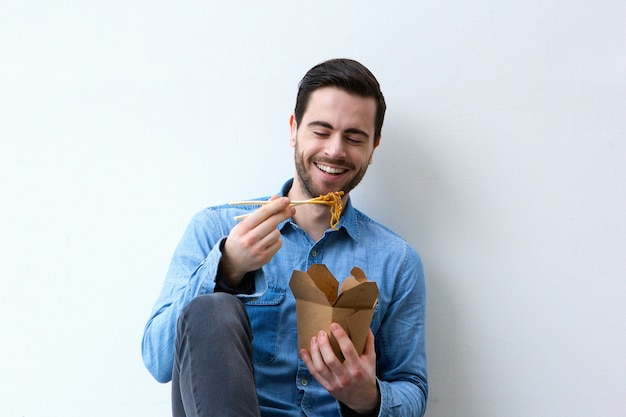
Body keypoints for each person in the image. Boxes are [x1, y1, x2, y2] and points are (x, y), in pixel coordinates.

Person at [142, 58, 428, 417]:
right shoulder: (217, 228)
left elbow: (411, 389)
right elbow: (158, 360)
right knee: (213, 307)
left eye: (354, 138)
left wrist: (367, 396)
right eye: (321, 132)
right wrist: (226, 267)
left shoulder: (397, 261)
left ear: (373, 148)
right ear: (294, 129)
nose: (335, 150)